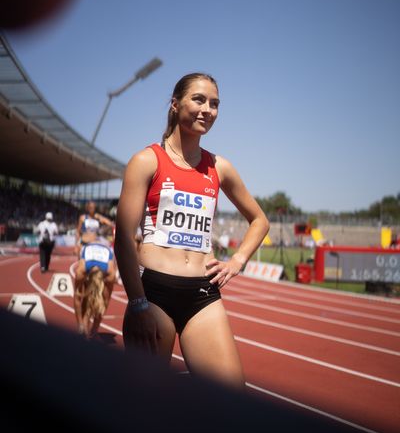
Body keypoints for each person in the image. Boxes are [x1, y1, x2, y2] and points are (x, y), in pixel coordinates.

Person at [114, 73, 270, 389]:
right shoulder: (146, 161)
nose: (207, 110)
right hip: (153, 295)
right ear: (175, 104)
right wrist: (137, 303)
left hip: (203, 295)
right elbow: (123, 239)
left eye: (214, 104)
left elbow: (260, 221)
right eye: (199, 99)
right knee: (144, 402)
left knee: (230, 400)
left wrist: (237, 260)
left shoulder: (219, 167)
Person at [74, 238, 116, 338]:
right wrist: (80, 325)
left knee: (99, 300)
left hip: (105, 248)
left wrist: (95, 328)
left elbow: (105, 301)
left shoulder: (110, 274)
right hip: (88, 247)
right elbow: (77, 297)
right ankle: (83, 325)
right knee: (85, 298)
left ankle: (91, 329)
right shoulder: (81, 270)